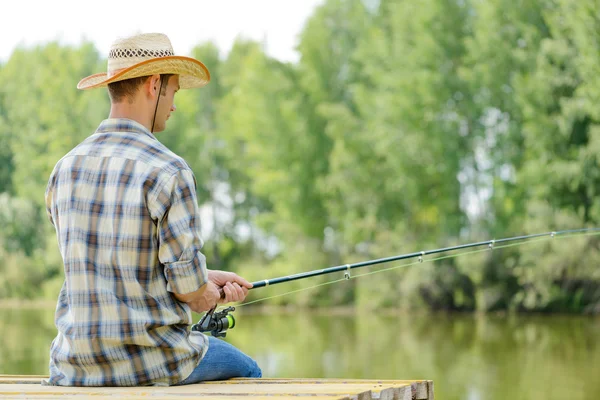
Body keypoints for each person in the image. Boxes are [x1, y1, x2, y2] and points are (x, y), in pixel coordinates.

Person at [44, 32, 262, 387]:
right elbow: (189, 294)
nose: (174, 105)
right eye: (173, 91)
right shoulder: (168, 170)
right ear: (154, 84)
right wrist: (208, 292)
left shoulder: (64, 169)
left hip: (73, 365)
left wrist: (204, 277)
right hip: (154, 361)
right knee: (251, 371)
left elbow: (113, 266)